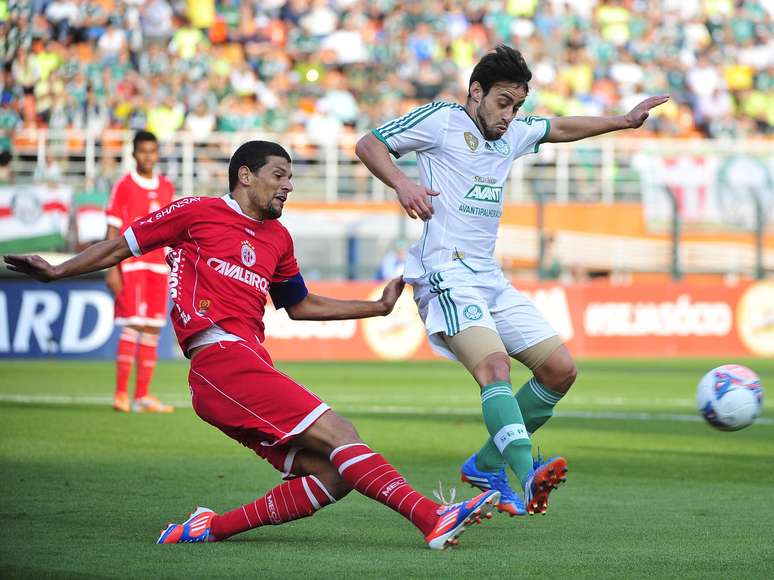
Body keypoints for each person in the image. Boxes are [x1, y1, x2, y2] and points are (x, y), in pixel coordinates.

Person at [4, 140, 499, 550]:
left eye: (290, 178)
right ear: (246, 175)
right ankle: (431, 516)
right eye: (279, 175)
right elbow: (122, 245)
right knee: (340, 431)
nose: (288, 185)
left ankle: (208, 527)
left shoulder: (278, 238)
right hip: (219, 359)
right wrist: (58, 270)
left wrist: (375, 307)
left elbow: (299, 304)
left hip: (241, 368)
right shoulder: (196, 212)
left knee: (336, 473)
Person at [356, 45, 668, 517]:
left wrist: (623, 121)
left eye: (517, 106)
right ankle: (526, 474)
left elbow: (559, 127)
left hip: (489, 276)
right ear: (476, 92)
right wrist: (402, 182)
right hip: (444, 271)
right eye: (503, 102)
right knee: (494, 368)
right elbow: (369, 144)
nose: (510, 115)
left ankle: (485, 464)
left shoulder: (513, 131)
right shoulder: (441, 120)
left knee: (560, 370)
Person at [105, 130, 175, 413]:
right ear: (134, 154)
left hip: (158, 266)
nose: (148, 156)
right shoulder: (123, 186)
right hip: (132, 264)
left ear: (157, 153)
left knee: (152, 329)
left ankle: (142, 395)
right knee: (133, 324)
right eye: (143, 151)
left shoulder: (166, 187)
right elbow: (112, 228)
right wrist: (111, 268)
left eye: (153, 151)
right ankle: (121, 394)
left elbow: (171, 229)